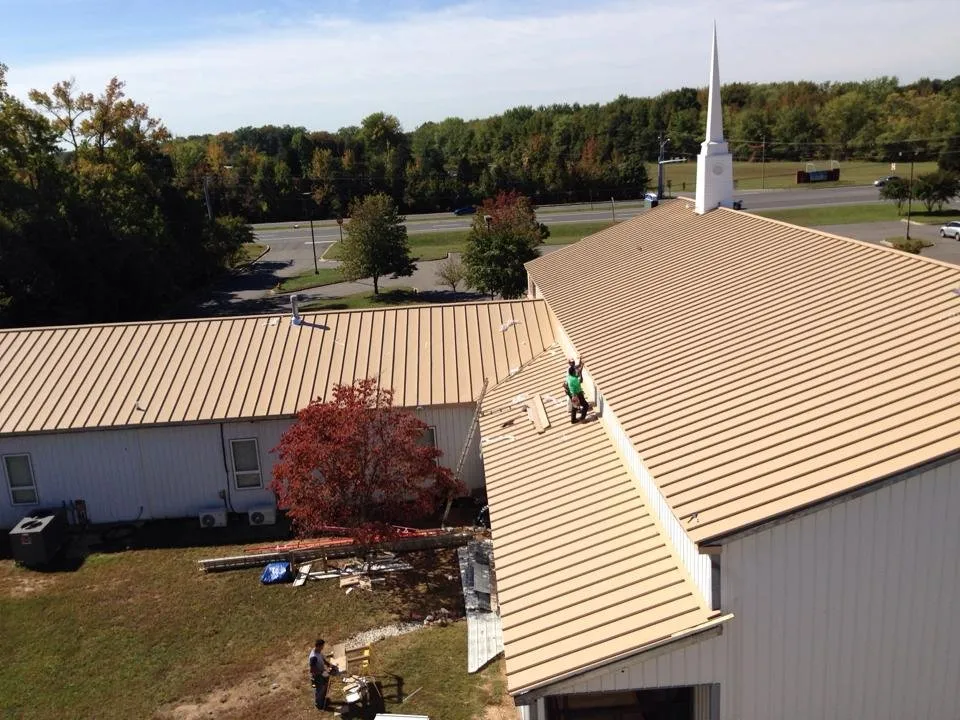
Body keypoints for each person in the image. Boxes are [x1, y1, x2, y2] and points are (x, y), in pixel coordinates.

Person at [309, 638, 337, 710]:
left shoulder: (318, 651)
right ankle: (319, 704)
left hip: (322, 673)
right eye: (322, 646)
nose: (323, 648)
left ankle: (323, 699)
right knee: (320, 690)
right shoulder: (313, 657)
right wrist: (324, 672)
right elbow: (312, 670)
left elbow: (323, 660)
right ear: (318, 646)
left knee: (327, 685)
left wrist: (330, 665)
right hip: (317, 676)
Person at [565, 358, 588, 424]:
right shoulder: (575, 379)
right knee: (585, 405)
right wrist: (582, 367)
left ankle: (573, 420)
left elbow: (577, 370)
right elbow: (581, 380)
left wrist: (581, 364)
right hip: (577, 394)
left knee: (574, 407)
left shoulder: (569, 376)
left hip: (572, 394)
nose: (576, 371)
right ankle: (582, 418)